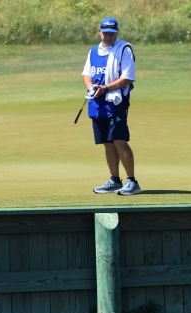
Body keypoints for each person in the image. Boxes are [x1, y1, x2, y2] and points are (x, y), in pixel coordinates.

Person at [82, 17, 141, 196]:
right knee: (107, 143)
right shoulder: (93, 51)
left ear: (116, 33)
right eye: (105, 32)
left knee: (119, 140)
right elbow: (86, 74)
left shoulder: (124, 49)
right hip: (97, 103)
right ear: (99, 31)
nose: (108, 36)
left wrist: (106, 88)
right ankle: (114, 180)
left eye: (111, 33)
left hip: (116, 102)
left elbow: (128, 77)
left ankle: (132, 181)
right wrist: (91, 88)